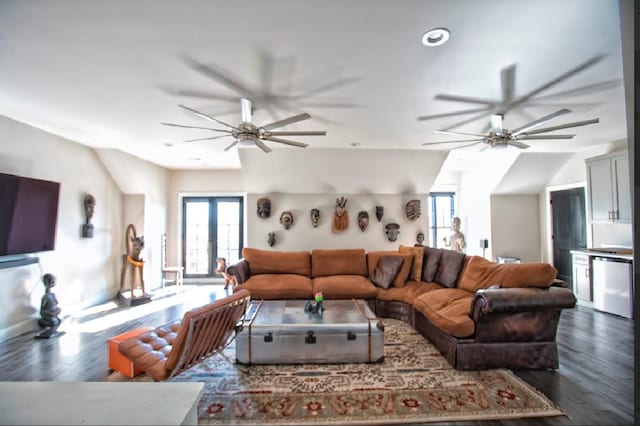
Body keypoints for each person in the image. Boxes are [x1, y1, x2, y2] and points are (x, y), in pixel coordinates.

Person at [35, 274, 63, 339]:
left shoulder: (53, 295)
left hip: (53, 314)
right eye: (51, 282)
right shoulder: (45, 297)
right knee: (54, 322)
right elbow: (42, 310)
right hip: (49, 316)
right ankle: (47, 332)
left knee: (59, 320)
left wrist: (57, 310)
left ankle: (53, 331)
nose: (53, 283)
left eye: (53, 281)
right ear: (46, 282)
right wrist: (50, 314)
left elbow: (56, 304)